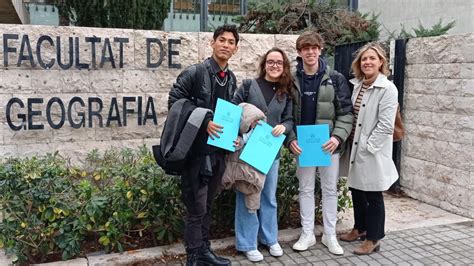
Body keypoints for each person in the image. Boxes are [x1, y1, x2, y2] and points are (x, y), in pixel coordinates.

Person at [167, 24, 239, 266]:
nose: (225, 45)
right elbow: (176, 102)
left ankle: (204, 252)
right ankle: (193, 258)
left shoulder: (230, 78)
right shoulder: (195, 72)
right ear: (212, 43)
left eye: (231, 42)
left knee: (208, 205)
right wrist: (203, 121)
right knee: (196, 207)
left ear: (235, 49)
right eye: (222, 40)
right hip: (196, 153)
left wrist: (234, 135)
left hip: (218, 151)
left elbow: (229, 114)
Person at [287, 31, 353, 255]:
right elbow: (286, 114)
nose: (310, 52)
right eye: (305, 48)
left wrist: (337, 137)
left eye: (314, 47)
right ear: (299, 52)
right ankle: (307, 234)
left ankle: (329, 235)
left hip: (328, 145)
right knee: (305, 189)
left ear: (320, 49)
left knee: (330, 190)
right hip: (303, 146)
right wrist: (291, 139)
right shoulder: (291, 79)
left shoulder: (335, 78)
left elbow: (346, 113)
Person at [231, 47, 294, 262]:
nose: (274, 65)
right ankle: (247, 243)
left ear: (284, 66)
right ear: (264, 64)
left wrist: (284, 128)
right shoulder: (250, 86)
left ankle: (270, 238)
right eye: (270, 62)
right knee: (246, 194)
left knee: (268, 197)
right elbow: (234, 109)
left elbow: (289, 119)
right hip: (248, 153)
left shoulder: (286, 92)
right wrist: (241, 131)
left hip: (270, 153)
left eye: (279, 62)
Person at [338, 42, 399, 255]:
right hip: (355, 146)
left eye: (372, 58)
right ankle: (360, 228)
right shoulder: (358, 84)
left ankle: (373, 239)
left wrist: (368, 146)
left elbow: (385, 124)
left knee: (373, 194)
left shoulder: (388, 88)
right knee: (357, 189)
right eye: (364, 59)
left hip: (371, 150)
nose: (367, 62)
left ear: (381, 62)